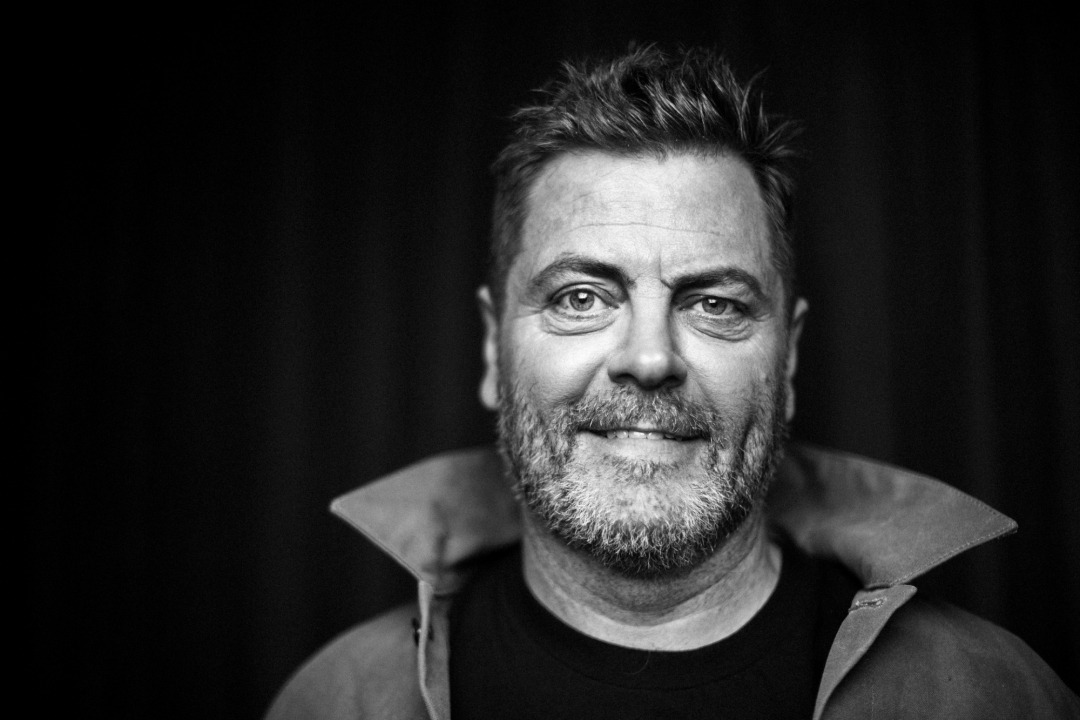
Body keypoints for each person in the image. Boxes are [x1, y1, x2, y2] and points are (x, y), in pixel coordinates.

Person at [265, 44, 1079, 719]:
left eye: (715, 303)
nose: (649, 359)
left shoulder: (992, 695)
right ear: (490, 349)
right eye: (582, 298)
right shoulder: (338, 700)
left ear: (788, 360)